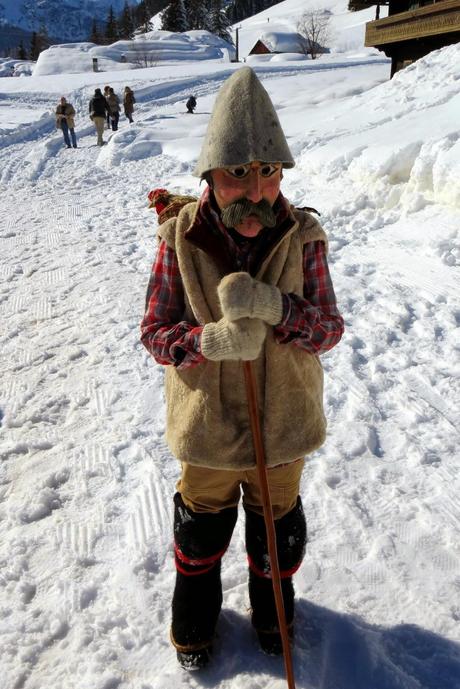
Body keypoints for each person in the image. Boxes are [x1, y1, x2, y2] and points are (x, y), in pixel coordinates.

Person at [140, 67, 344, 671]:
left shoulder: (305, 235)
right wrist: (208, 341)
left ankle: (272, 617)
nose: (256, 191)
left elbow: (329, 330)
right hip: (207, 428)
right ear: (210, 175)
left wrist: (280, 309)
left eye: (268, 173)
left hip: (285, 425)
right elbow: (154, 335)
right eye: (237, 174)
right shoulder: (179, 238)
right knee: (200, 534)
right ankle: (193, 624)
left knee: (277, 536)